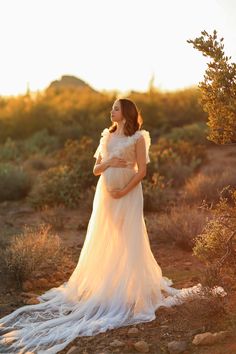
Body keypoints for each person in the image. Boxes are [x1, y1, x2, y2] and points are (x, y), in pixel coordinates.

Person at [0, 98, 225, 354]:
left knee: (129, 237)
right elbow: (96, 169)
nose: (111, 111)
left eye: (116, 108)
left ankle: (131, 289)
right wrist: (108, 165)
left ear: (126, 112)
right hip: (105, 194)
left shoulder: (139, 137)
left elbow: (141, 171)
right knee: (107, 237)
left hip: (128, 193)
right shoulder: (106, 135)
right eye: (112, 108)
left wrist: (123, 190)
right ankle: (109, 284)